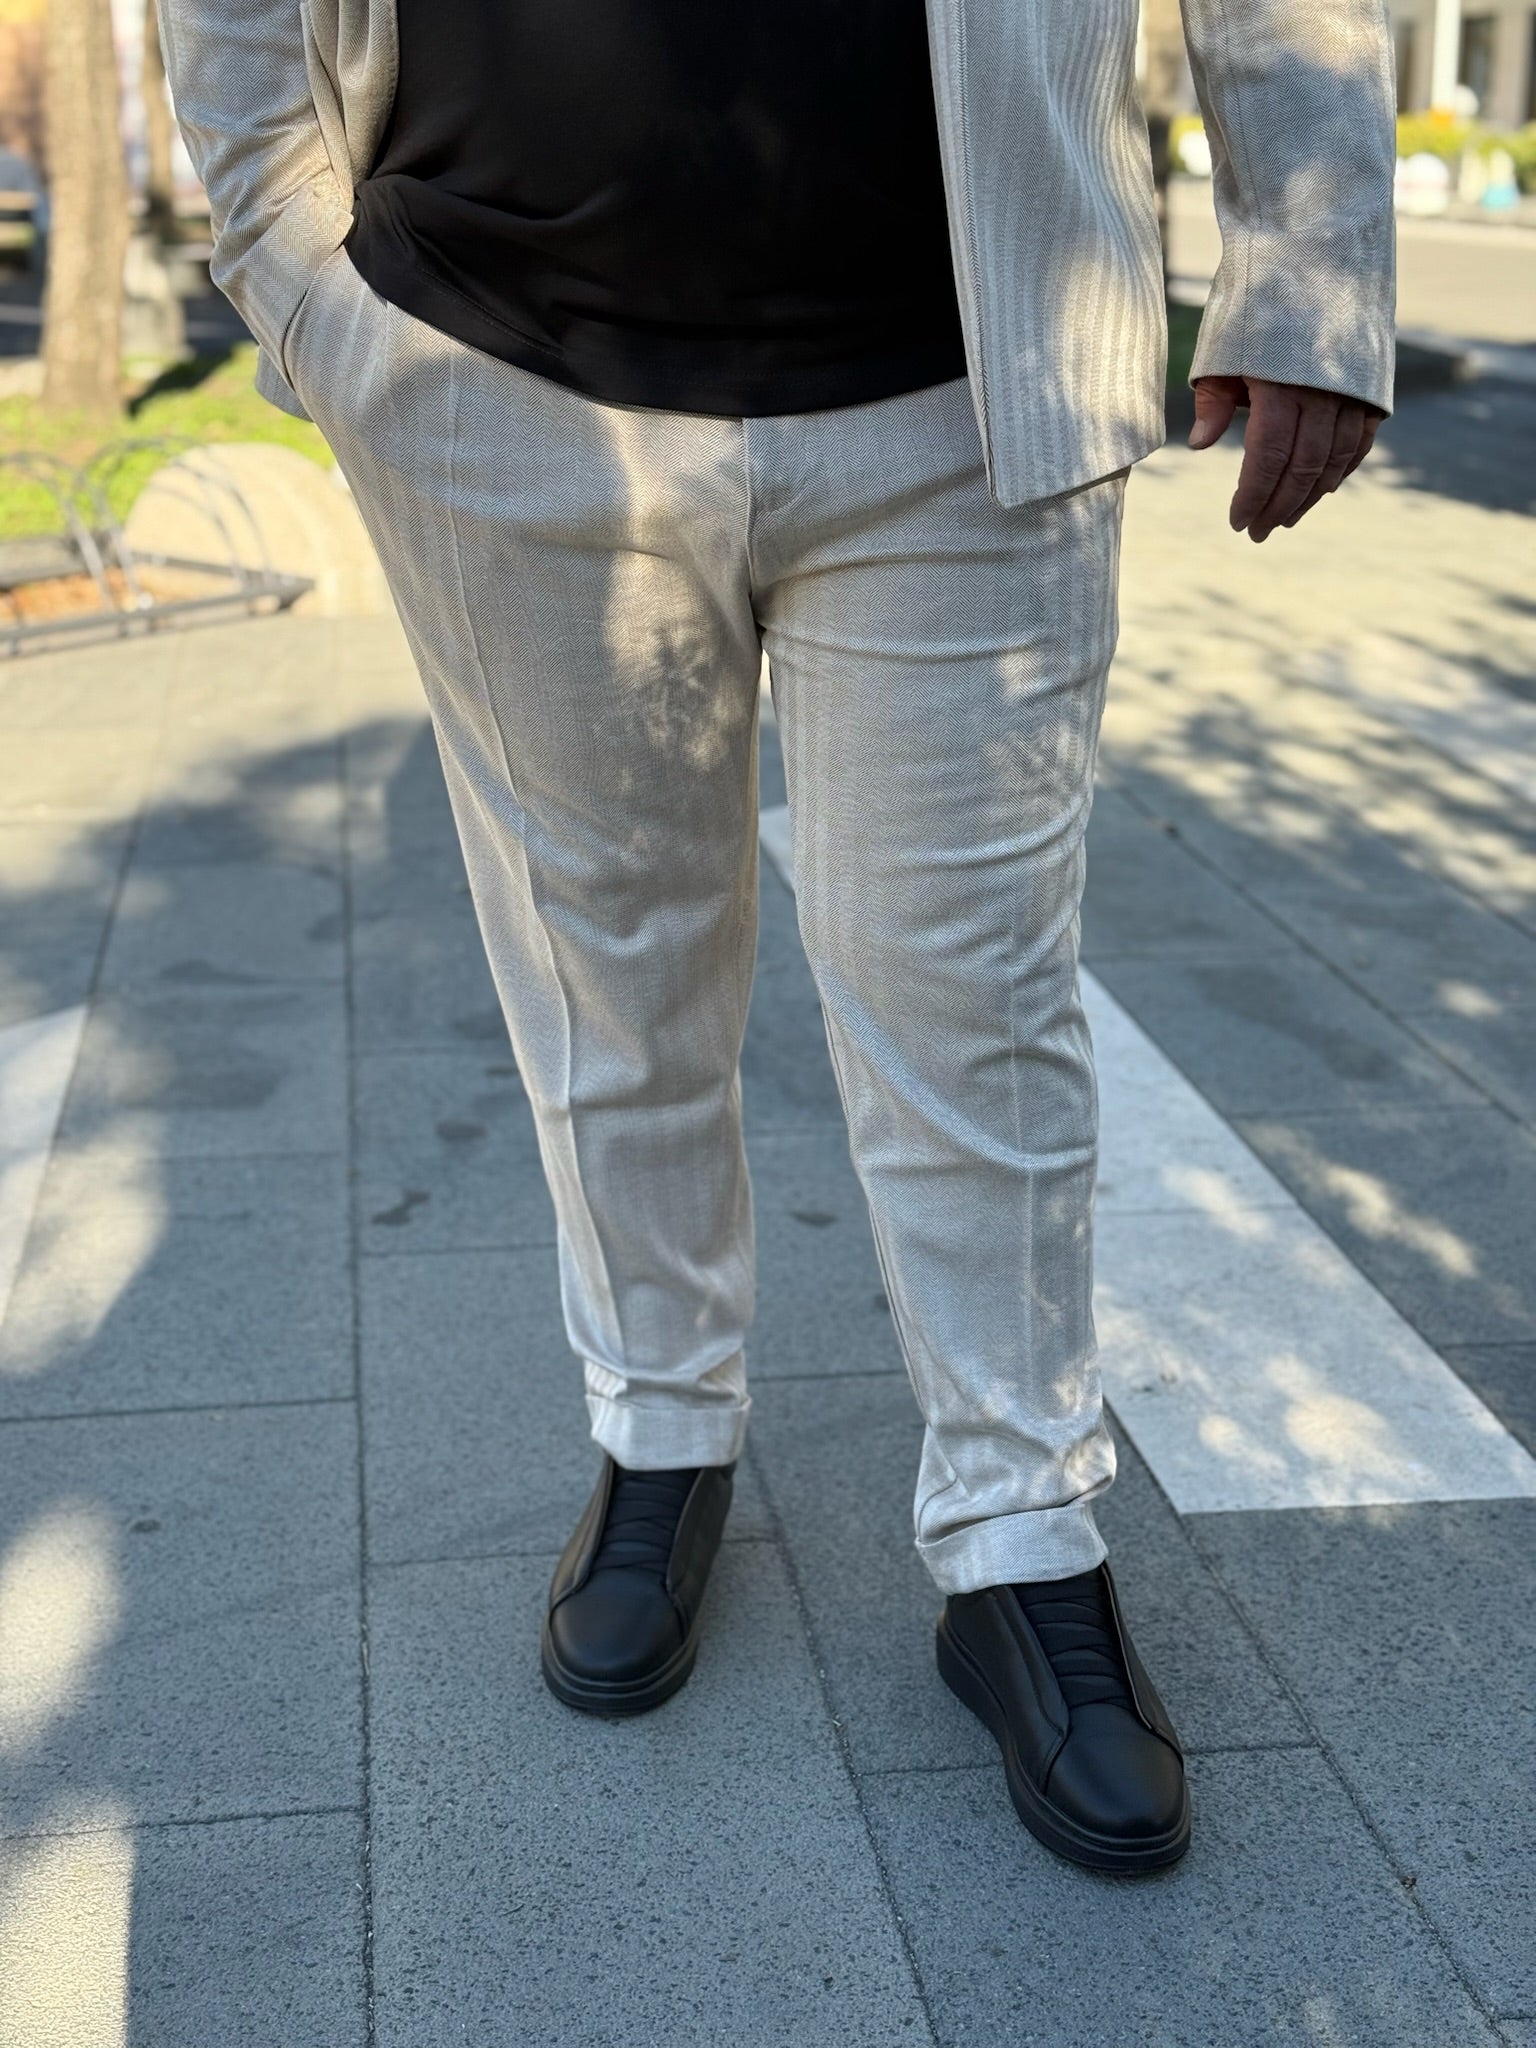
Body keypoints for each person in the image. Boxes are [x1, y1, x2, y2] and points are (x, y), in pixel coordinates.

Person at [158, 0, 1396, 1872]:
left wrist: (1309, 265)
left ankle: (1020, 1533)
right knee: (606, 965)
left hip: (974, 372)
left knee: (970, 993)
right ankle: (662, 1428)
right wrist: (298, 278)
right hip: (490, 364)